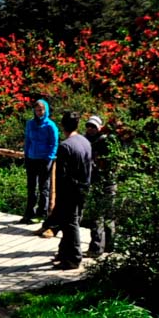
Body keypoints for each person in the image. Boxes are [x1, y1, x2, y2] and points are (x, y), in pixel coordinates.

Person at [50, 110, 94, 270]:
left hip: (70, 190)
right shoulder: (85, 141)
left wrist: (58, 199)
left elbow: (61, 176)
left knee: (70, 224)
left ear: (62, 125)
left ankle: (74, 258)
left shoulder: (65, 146)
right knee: (71, 222)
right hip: (84, 187)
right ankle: (63, 253)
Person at [21, 98, 60, 225]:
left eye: (41, 110)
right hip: (31, 158)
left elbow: (54, 143)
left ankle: (41, 213)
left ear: (46, 110)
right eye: (37, 110)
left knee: (44, 187)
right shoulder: (30, 124)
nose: (39, 112)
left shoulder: (50, 125)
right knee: (31, 187)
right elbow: (28, 140)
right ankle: (29, 213)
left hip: (44, 159)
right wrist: (26, 154)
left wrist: (49, 157)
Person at [84, 115, 117, 257]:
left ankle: (97, 248)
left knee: (100, 216)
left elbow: (106, 163)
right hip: (101, 181)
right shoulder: (89, 140)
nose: (90, 129)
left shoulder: (105, 142)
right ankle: (109, 246)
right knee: (106, 215)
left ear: (99, 127)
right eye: (88, 126)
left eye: (93, 126)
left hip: (106, 182)